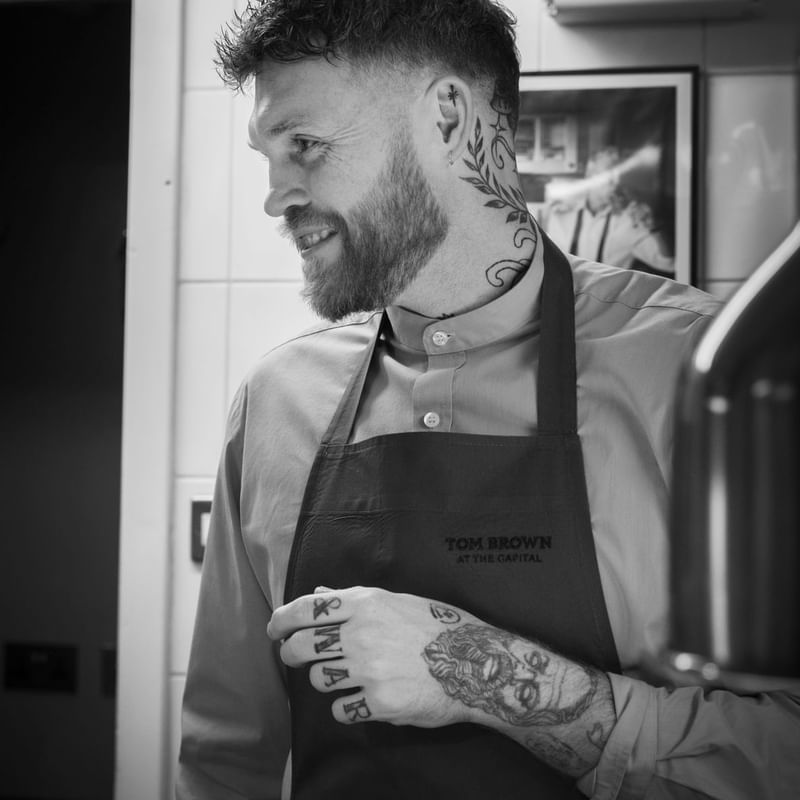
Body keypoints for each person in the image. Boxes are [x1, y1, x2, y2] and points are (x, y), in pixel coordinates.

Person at [177, 2, 799, 798]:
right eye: (270, 157)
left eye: (306, 145)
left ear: (445, 116)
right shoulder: (275, 402)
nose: (276, 196)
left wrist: (485, 676)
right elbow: (226, 760)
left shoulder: (706, 378)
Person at [541, 147, 676, 277]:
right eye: (609, 173)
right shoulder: (560, 213)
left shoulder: (628, 220)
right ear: (590, 174)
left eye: (619, 175)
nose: (615, 182)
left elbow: (669, 263)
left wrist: (654, 227)